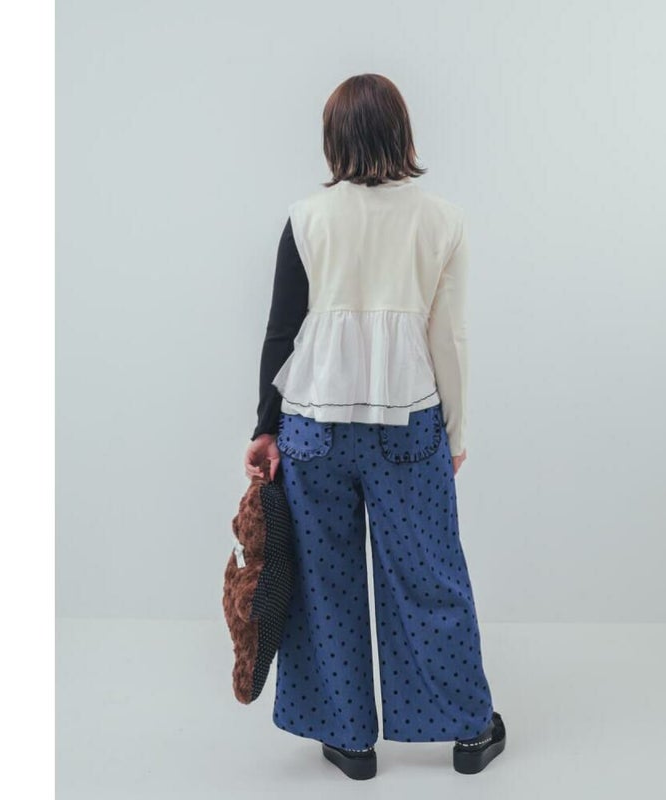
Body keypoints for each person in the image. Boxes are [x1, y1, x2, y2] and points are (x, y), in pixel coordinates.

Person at [244, 73, 506, 780]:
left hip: (312, 428)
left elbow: (280, 333)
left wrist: (264, 428)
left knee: (324, 584)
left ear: (333, 138)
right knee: (429, 577)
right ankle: (469, 730)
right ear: (402, 132)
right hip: (407, 426)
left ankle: (349, 739)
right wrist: (455, 433)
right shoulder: (442, 220)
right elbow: (449, 338)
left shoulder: (306, 218)